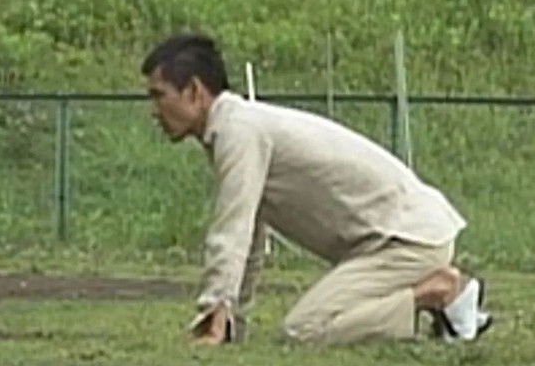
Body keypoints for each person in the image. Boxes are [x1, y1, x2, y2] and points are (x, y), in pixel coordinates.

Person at [139, 34, 493, 347]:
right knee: (307, 325)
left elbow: (232, 230)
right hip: (400, 237)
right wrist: (231, 321)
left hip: (407, 241)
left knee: (304, 330)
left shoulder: (239, 131)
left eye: (159, 96)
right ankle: (441, 302)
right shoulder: (238, 127)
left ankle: (437, 291)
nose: (154, 111)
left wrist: (214, 307)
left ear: (195, 92)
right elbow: (249, 236)